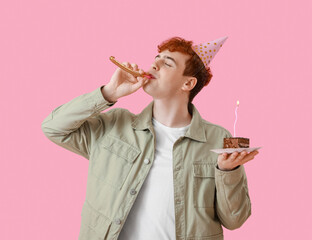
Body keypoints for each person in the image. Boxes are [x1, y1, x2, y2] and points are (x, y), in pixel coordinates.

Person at [41, 36, 259, 240]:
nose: (155, 65)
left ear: (188, 84)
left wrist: (227, 172)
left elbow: (234, 220)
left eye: (168, 63)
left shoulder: (217, 139)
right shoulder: (115, 125)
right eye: (157, 58)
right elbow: (53, 127)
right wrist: (108, 93)